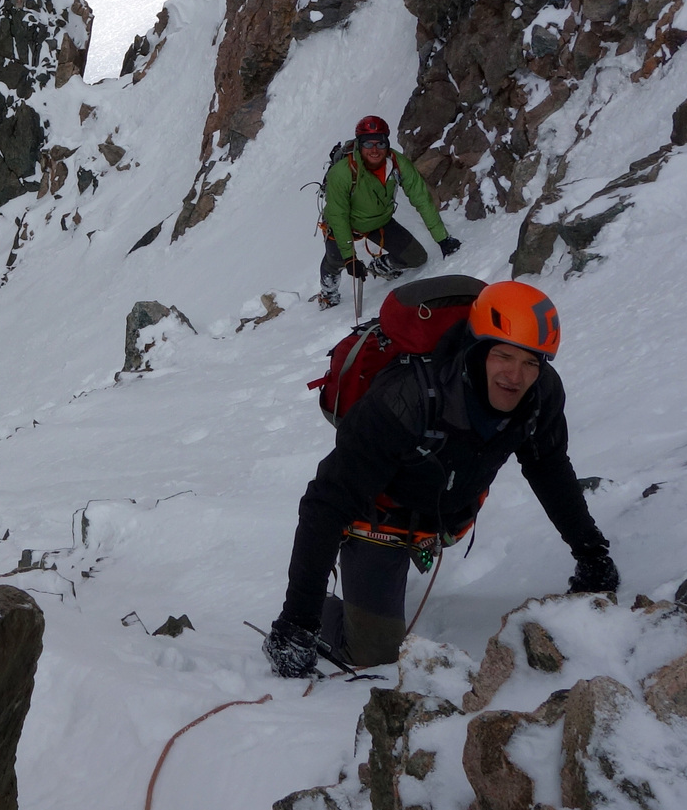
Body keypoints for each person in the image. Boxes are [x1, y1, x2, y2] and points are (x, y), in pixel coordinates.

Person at [263, 281, 618, 676]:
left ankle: (386, 580)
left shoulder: (541, 396)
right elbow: (326, 502)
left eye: (531, 362)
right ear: (478, 348)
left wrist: (591, 553)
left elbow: (548, 468)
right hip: (377, 517)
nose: (515, 376)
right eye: (503, 356)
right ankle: (334, 609)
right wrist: (298, 622)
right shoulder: (406, 399)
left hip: (441, 515)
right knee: (374, 650)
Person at [319, 114, 460, 306]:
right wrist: (350, 258)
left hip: (380, 221)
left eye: (380, 143)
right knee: (335, 261)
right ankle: (328, 293)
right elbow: (338, 215)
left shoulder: (397, 164)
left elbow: (421, 199)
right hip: (343, 224)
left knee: (416, 257)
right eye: (368, 144)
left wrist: (442, 238)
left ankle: (380, 266)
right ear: (359, 145)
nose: (375, 150)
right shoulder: (342, 173)